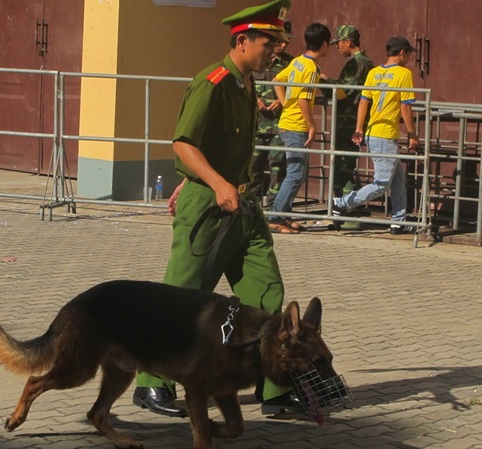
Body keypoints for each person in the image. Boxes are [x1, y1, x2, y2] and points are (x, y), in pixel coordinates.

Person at [131, 0, 302, 418]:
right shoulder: (213, 81)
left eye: (278, 43)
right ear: (242, 41)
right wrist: (209, 181)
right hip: (210, 206)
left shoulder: (247, 86)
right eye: (269, 42)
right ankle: (152, 383)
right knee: (183, 298)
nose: (274, 51)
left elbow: (216, 148)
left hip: (241, 205)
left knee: (265, 292)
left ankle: (274, 386)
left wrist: (213, 179)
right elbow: (183, 143)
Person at [332, 35, 419, 235]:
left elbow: (364, 101)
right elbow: (405, 107)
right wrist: (412, 133)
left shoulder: (374, 72)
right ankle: (342, 203)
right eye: (408, 54)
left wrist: (359, 128)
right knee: (381, 183)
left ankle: (398, 220)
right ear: (403, 53)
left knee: (397, 177)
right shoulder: (403, 74)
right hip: (385, 134)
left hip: (372, 131)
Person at [267, 22, 332, 234]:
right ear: (324, 44)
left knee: (297, 173)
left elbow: (277, 80)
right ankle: (276, 218)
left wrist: (285, 102)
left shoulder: (297, 61)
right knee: (295, 174)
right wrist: (312, 126)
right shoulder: (312, 68)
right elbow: (304, 99)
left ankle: (282, 215)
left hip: (288, 123)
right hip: (296, 126)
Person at [321, 25, 375, 198]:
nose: (337, 47)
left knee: (342, 166)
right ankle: (346, 208)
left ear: (348, 42)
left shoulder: (357, 63)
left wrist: (322, 80)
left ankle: (344, 210)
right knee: (347, 165)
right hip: (352, 119)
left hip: (348, 121)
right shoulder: (365, 62)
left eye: (339, 43)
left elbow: (342, 92)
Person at [249, 20, 294, 207]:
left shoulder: (291, 63)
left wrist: (281, 100)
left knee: (278, 168)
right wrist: (255, 99)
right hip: (258, 123)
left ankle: (274, 208)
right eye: (279, 41)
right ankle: (251, 206)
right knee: (254, 166)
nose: (283, 45)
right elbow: (245, 83)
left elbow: (295, 89)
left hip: (278, 125)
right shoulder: (256, 59)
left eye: (286, 41)